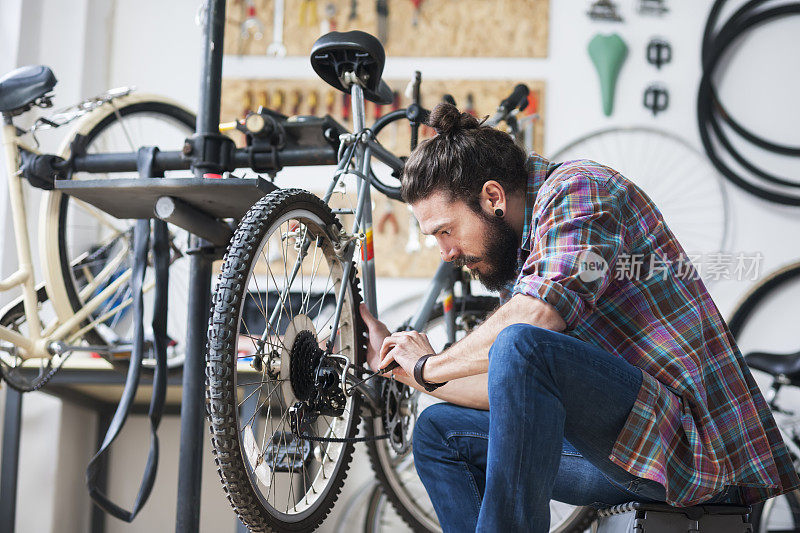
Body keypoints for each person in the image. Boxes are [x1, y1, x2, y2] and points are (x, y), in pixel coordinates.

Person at [358, 103, 800, 532]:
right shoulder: (523, 252)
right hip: (630, 448)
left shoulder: (580, 190)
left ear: (492, 196)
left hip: (689, 449)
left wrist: (429, 364)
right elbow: (507, 389)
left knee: (519, 341)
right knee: (438, 431)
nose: (447, 253)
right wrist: (401, 370)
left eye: (445, 231)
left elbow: (536, 318)